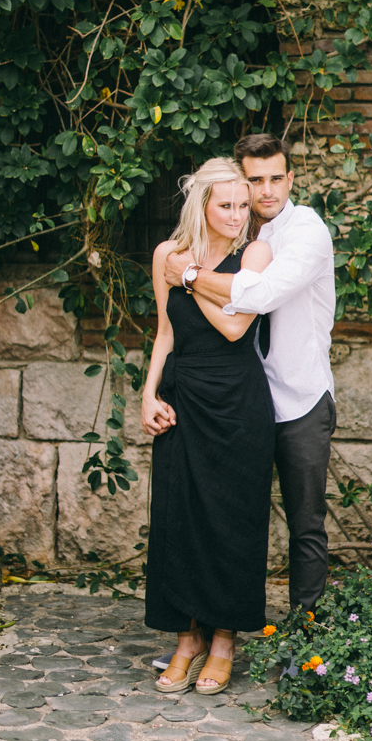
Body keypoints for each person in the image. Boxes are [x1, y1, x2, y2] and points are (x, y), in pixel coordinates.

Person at [165, 133, 336, 616]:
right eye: (254, 180)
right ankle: (217, 628)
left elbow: (256, 296)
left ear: (291, 179)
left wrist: (190, 276)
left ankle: (307, 642)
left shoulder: (307, 230)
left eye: (276, 178)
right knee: (228, 516)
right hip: (245, 401)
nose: (266, 191)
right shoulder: (240, 238)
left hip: (300, 398)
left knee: (305, 523)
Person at [141, 158, 274, 694]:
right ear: (201, 205)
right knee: (179, 517)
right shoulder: (165, 255)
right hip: (182, 395)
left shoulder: (257, 254)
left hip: (237, 401)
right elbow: (164, 332)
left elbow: (236, 326)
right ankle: (185, 638)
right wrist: (148, 393)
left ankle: (223, 640)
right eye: (227, 205)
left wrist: (192, 280)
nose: (239, 215)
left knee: (231, 518)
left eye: (244, 205)